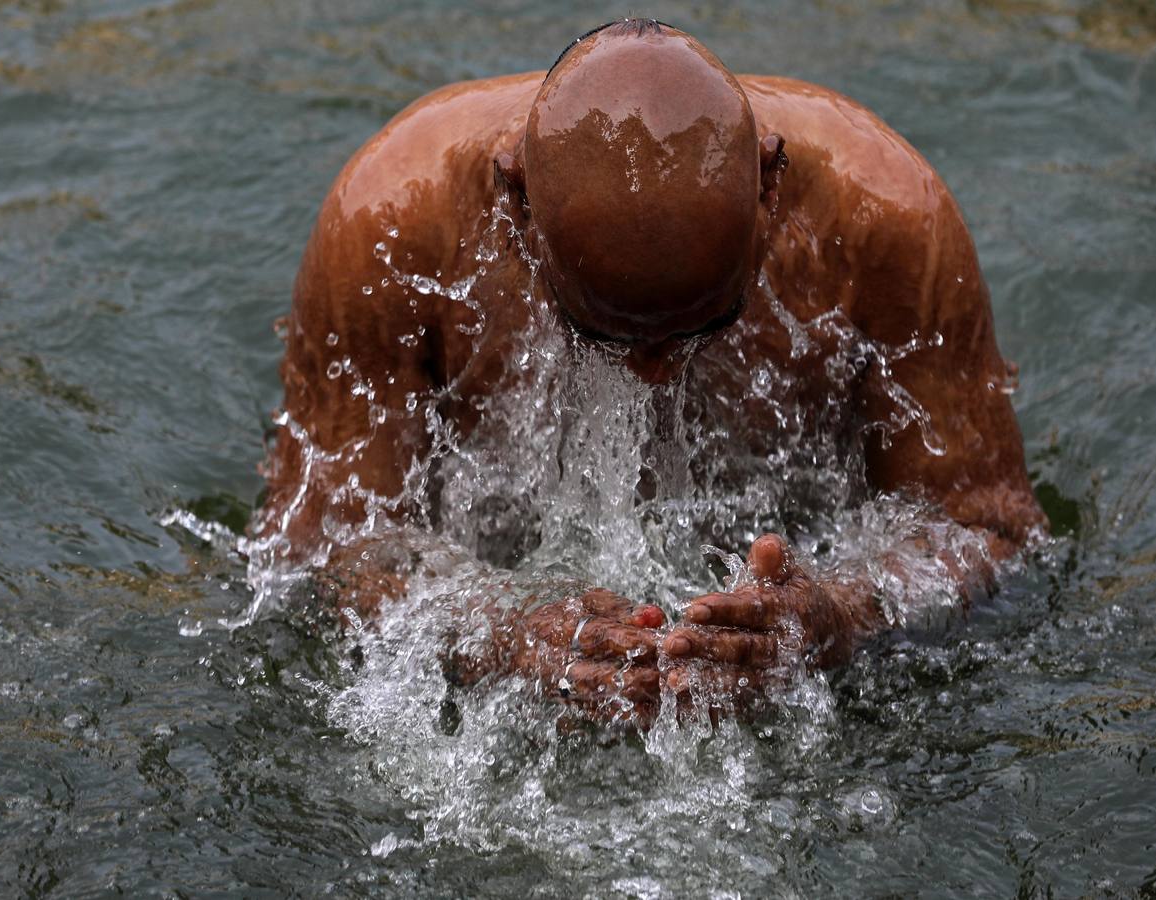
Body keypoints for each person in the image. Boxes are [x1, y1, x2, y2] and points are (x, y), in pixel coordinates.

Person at [258, 18, 1045, 725]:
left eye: (705, 327)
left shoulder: (892, 222)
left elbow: (989, 526)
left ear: (770, 187)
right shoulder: (387, 225)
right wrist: (497, 635)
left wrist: (838, 615)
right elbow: (322, 548)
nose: (654, 376)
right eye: (599, 336)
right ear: (516, 201)